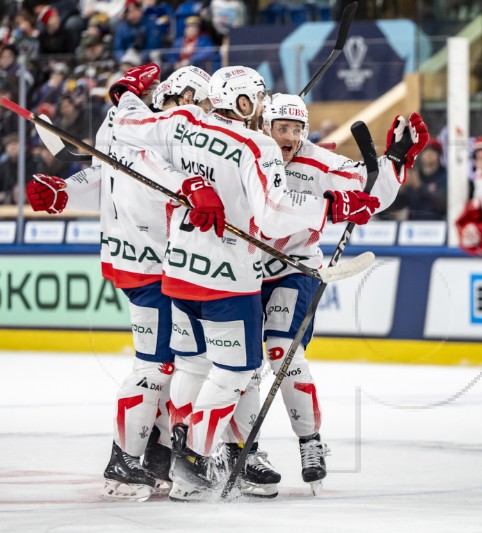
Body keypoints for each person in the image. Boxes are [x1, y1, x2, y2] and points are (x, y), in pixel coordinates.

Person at [111, 66, 380, 501]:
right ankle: (194, 459)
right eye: (257, 97)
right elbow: (272, 213)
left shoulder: (181, 122)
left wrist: (125, 91)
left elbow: (125, 129)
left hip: (177, 272)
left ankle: (199, 458)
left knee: (194, 365)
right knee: (240, 370)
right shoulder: (256, 145)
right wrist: (332, 206)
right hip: (229, 279)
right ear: (244, 101)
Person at [26, 63, 189, 501]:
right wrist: (66, 188)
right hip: (150, 267)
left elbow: (107, 168)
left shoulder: (168, 132)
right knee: (157, 366)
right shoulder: (143, 126)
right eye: (181, 98)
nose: (192, 109)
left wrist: (65, 187)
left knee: (180, 365)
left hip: (174, 267)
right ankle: (124, 458)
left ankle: (156, 454)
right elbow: (113, 167)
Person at [259, 93, 425, 492]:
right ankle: (241, 451)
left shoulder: (317, 159)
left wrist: (395, 161)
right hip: (240, 272)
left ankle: (310, 442)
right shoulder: (247, 151)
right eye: (283, 128)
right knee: (242, 367)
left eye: (297, 130)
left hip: (293, 270)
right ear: (265, 126)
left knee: (284, 352)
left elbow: (370, 190)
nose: (291, 138)